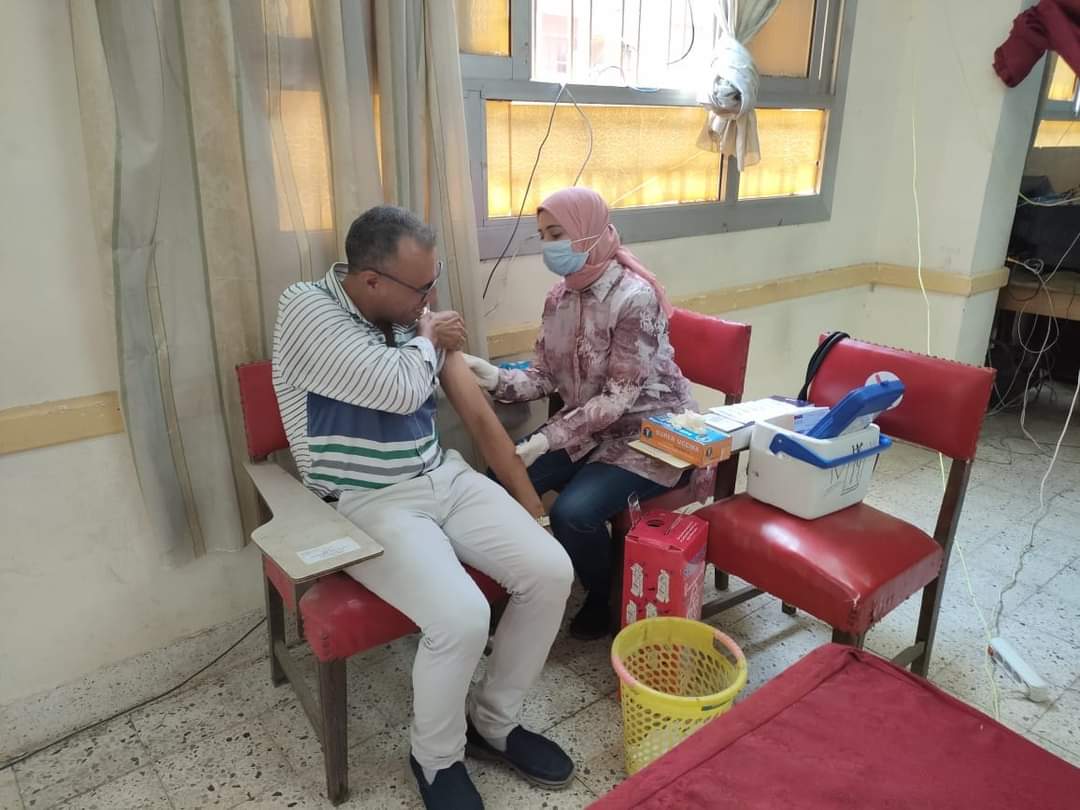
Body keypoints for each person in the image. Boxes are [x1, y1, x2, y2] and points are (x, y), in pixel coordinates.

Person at [272, 205, 575, 810]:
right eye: (421, 288)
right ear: (370, 281)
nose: (430, 298)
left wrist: (531, 509)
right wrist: (430, 337)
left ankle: (493, 720)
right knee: (460, 617)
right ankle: (435, 757)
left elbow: (473, 410)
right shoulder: (306, 308)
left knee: (551, 572)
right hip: (365, 498)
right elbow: (398, 387)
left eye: (434, 282)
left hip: (443, 476)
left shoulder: (405, 315)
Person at [465, 187, 708, 641]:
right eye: (542, 236)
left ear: (589, 231)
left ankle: (601, 594)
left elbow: (617, 399)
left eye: (557, 234)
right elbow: (544, 375)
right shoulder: (559, 297)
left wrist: (546, 439)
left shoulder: (634, 298)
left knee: (573, 513)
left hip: (649, 435)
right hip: (587, 429)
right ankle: (510, 587)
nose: (549, 246)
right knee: (500, 479)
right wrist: (495, 378)